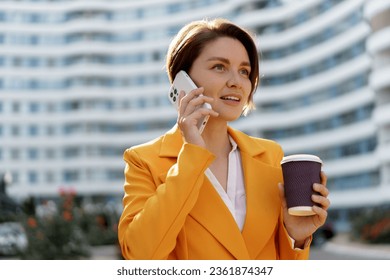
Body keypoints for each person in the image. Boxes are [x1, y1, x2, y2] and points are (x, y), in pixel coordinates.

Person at [118, 18, 330, 260]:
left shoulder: (271, 156)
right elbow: (140, 255)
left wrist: (296, 237)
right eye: (219, 67)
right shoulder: (143, 160)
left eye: (244, 71)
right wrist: (191, 159)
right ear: (182, 80)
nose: (236, 82)